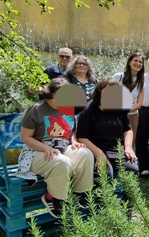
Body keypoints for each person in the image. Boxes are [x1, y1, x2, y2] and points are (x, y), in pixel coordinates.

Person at [19, 77, 95, 219]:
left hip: (62, 148)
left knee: (85, 153)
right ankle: (53, 198)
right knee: (61, 161)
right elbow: (25, 137)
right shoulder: (36, 109)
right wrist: (45, 148)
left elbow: (71, 130)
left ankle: (81, 192)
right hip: (37, 152)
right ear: (51, 93)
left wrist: (73, 141)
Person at [76, 77, 139, 186]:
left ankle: (128, 201)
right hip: (97, 149)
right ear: (99, 91)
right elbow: (82, 137)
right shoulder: (88, 110)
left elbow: (128, 129)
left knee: (133, 169)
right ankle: (103, 202)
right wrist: (99, 154)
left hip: (118, 149)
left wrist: (128, 148)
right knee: (105, 175)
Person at [114, 53, 145, 143]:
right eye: (135, 60)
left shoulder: (141, 82)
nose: (138, 63)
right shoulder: (118, 77)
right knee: (115, 140)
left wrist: (125, 110)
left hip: (132, 116)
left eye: (140, 62)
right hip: (116, 115)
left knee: (130, 142)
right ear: (129, 62)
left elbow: (139, 103)